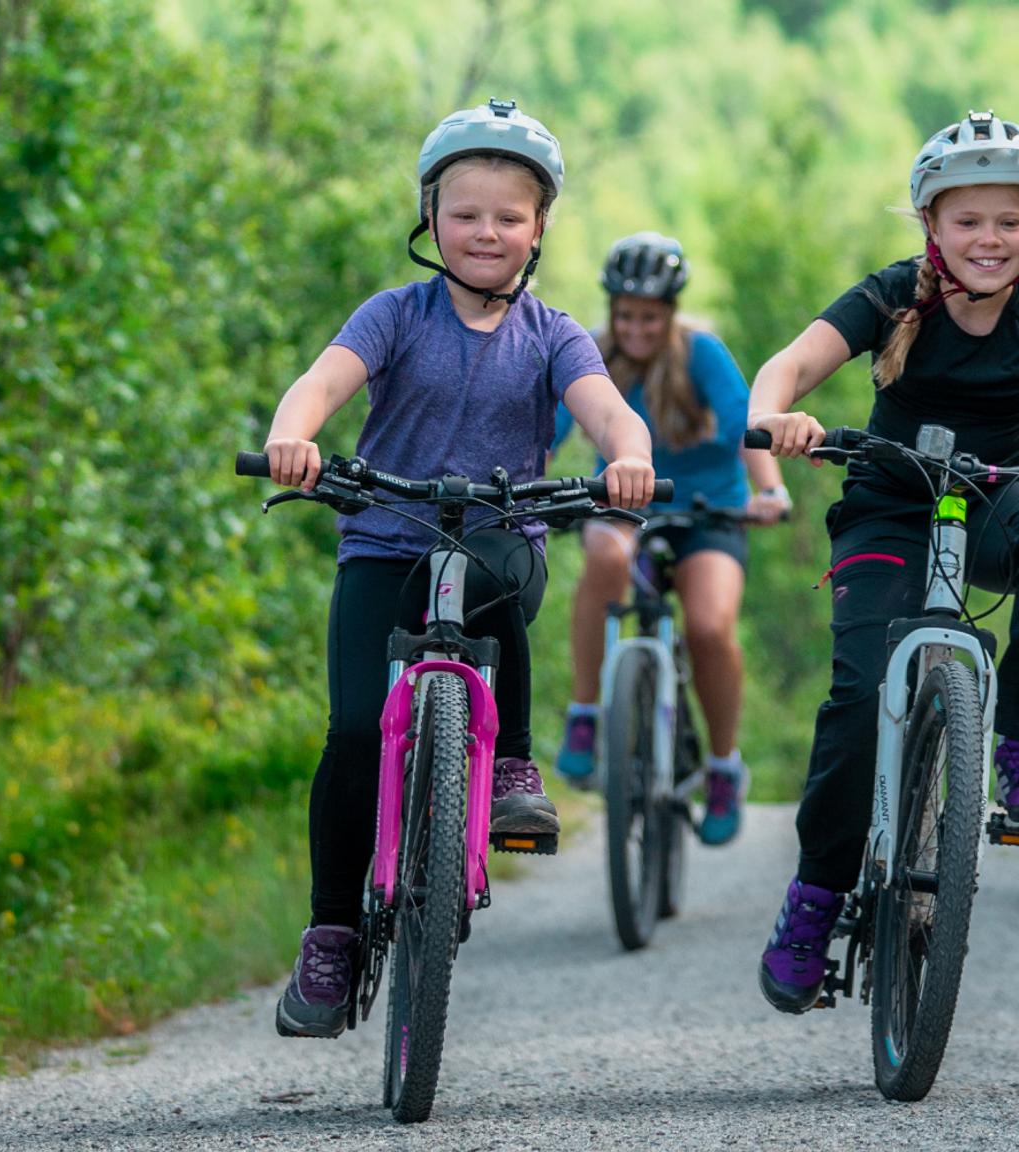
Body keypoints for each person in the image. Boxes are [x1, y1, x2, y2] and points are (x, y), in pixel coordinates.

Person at [748, 111, 1019, 1013]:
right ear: (931, 226)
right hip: (888, 506)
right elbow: (784, 369)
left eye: (1010, 222)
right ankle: (816, 895)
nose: (991, 239)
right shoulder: (892, 292)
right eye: (969, 221)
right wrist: (783, 416)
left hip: (993, 495)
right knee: (862, 699)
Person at [262, 99, 657, 1039]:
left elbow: (604, 410)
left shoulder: (555, 334)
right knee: (356, 730)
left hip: (495, 543)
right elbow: (322, 382)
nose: (486, 232)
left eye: (509, 217)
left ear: (539, 229)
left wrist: (627, 454)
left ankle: (512, 760)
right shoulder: (395, 315)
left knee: (490, 578)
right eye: (466, 212)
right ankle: (330, 934)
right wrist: (293, 434)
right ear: (430, 216)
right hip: (385, 540)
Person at [550, 231, 791, 846]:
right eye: (626, 315)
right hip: (628, 507)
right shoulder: (592, 356)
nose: (637, 329)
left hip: (710, 514)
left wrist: (769, 492)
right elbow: (545, 431)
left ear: (671, 313)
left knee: (709, 628)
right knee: (604, 551)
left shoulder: (702, 355)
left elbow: (748, 428)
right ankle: (585, 712)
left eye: (650, 317)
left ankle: (722, 766)